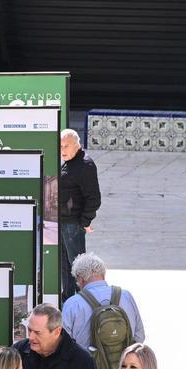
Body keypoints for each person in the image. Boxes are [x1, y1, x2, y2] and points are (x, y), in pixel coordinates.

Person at [59, 129, 101, 303]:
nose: (62, 150)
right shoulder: (67, 162)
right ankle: (68, 302)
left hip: (73, 225)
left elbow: (94, 198)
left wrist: (84, 222)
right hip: (62, 223)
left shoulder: (85, 165)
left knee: (78, 268)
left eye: (66, 146)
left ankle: (86, 302)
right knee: (65, 267)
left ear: (77, 145)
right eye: (60, 146)